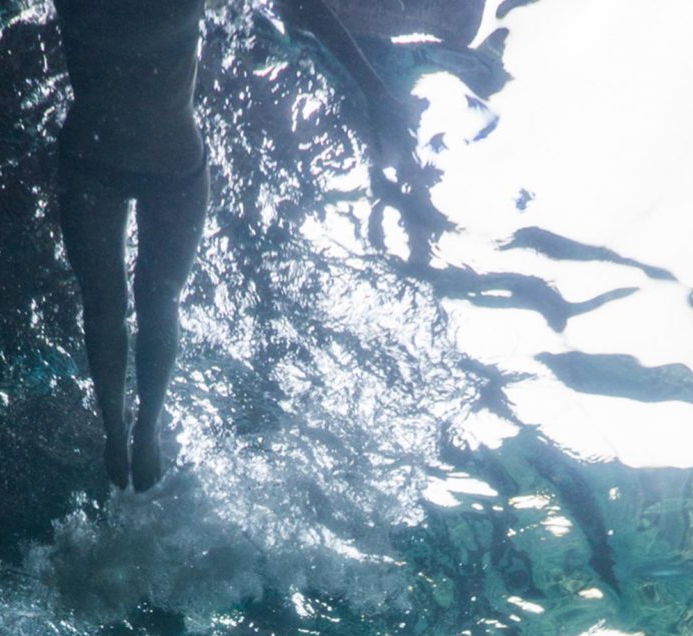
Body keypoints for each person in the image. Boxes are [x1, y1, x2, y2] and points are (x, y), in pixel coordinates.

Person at [49, 0, 431, 491]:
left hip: (125, 163)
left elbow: (302, 8)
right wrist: (375, 92)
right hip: (140, 163)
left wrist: (376, 91)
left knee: (130, 305)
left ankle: (142, 429)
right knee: (130, 305)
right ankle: (120, 429)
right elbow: (304, 10)